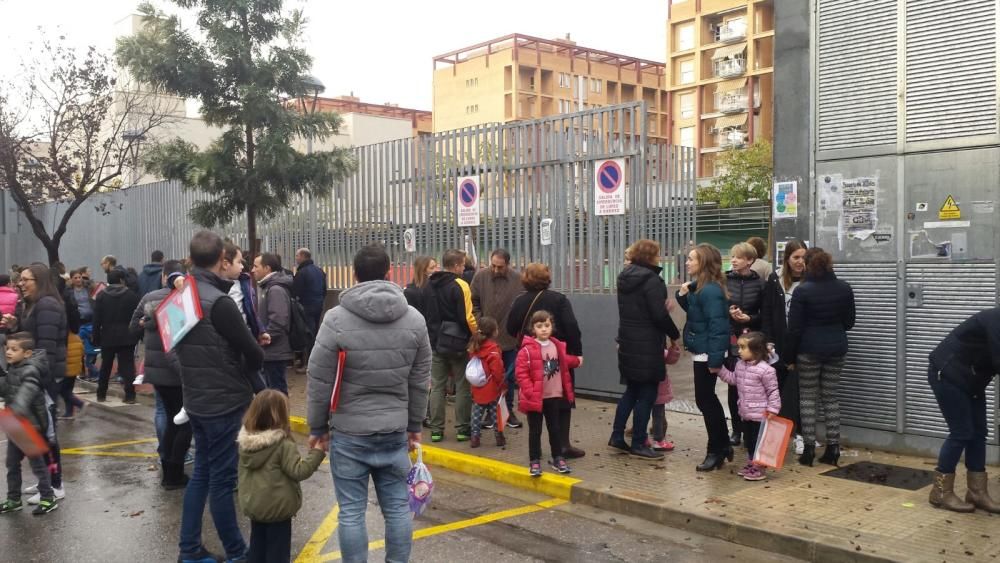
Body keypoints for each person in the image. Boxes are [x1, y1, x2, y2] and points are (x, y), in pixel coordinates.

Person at [307, 243, 431, 563]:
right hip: (394, 429)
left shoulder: (335, 319)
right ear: (389, 273)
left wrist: (318, 427)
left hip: (349, 431)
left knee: (350, 512)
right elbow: (420, 381)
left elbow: (319, 379)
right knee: (398, 509)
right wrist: (415, 425)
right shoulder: (415, 320)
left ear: (354, 274)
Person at [175, 231, 264, 563]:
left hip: (196, 398)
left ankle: (189, 550)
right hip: (224, 401)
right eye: (235, 260)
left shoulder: (185, 294)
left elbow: (175, 347)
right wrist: (243, 364)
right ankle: (238, 552)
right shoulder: (219, 302)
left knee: (202, 473)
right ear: (222, 260)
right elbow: (252, 352)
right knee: (223, 482)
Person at [609, 240, 681, 461]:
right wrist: (674, 334)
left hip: (629, 341)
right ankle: (639, 442)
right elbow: (657, 315)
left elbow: (638, 308)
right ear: (651, 256)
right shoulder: (652, 281)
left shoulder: (625, 277)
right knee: (647, 395)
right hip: (648, 344)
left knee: (631, 391)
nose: (660, 257)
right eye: (658, 254)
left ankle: (617, 436)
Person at [3, 263, 67, 502]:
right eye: (20, 280)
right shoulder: (29, 305)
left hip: (44, 376)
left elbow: (45, 349)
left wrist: (34, 379)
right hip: (35, 374)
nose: (21, 284)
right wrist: (14, 327)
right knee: (37, 429)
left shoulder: (47, 305)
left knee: (46, 431)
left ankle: (55, 482)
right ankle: (45, 482)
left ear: (39, 281)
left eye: (26, 280)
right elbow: (28, 341)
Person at [785, 248, 855, 467]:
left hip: (808, 350)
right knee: (830, 397)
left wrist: (789, 357)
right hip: (836, 348)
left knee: (807, 397)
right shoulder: (844, 288)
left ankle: (808, 451)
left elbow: (794, 329)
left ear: (807, 265)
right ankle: (833, 448)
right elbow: (849, 322)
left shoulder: (803, 291)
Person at [926, 306, 1000, 513]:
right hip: (947, 375)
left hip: (972, 380)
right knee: (961, 432)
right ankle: (940, 493)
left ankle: (977, 492)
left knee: (978, 433)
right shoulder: (995, 319)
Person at [238, 390, 325, 563]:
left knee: (257, 547)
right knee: (278, 553)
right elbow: (299, 471)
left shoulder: (245, 441)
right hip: (277, 510)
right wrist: (317, 452)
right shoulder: (282, 444)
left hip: (255, 507)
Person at [130, 259, 193, 489]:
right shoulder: (181, 299)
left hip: (156, 372)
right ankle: (174, 473)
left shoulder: (149, 298)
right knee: (185, 424)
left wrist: (146, 326)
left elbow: (133, 326)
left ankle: (168, 471)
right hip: (178, 371)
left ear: (163, 276)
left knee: (168, 417)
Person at [506, 263, 583, 450]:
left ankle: (536, 449)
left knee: (535, 398)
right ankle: (563, 445)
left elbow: (510, 328)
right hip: (557, 355)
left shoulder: (520, 301)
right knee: (562, 397)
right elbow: (572, 327)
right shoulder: (559, 299)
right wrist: (576, 353)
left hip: (531, 358)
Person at [676, 244, 733, 472]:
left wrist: (715, 360)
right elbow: (695, 313)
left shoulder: (710, 290)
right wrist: (682, 293)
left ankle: (716, 449)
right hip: (704, 350)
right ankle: (722, 445)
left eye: (692, 259)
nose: (687, 262)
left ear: (704, 263)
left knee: (705, 400)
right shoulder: (701, 288)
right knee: (706, 399)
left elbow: (718, 326)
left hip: (708, 352)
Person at [420, 249, 478, 443]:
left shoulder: (429, 285)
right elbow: (467, 316)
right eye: (462, 265)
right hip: (457, 343)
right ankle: (463, 429)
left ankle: (436, 430)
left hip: (435, 342)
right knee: (462, 385)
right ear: (455, 266)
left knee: (437, 386)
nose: (463, 268)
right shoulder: (460, 285)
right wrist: (476, 334)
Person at [516, 310, 582, 476]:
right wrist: (530, 392)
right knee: (535, 430)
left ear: (552, 326)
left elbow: (564, 361)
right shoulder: (526, 350)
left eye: (547, 325)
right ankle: (534, 460)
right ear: (533, 329)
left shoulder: (556, 345)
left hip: (554, 396)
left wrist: (577, 361)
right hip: (535, 398)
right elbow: (521, 374)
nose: (544, 329)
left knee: (555, 429)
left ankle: (558, 457)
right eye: (539, 326)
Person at [0, 333, 58, 515]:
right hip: (14, 425)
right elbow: (7, 388)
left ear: (27, 353)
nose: (8, 352)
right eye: (7, 348)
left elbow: (27, 391)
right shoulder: (12, 368)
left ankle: (48, 498)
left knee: (37, 465)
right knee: (11, 463)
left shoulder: (30, 370)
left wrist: (16, 409)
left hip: (28, 425)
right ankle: (14, 498)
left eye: (14, 349)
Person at [761, 239, 808, 454]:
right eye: (796, 257)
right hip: (779, 345)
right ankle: (774, 438)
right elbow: (768, 313)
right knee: (777, 391)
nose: (800, 262)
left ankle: (800, 434)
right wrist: (768, 341)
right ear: (787, 259)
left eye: (804, 257)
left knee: (800, 392)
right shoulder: (775, 280)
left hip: (803, 345)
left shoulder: (811, 280)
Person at [717, 331, 781, 482]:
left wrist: (773, 409)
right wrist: (720, 370)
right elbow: (734, 380)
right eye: (739, 347)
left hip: (761, 415)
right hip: (745, 412)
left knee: (759, 442)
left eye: (742, 347)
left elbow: (773, 391)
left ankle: (759, 467)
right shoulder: (740, 365)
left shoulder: (766, 370)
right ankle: (752, 462)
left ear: (756, 350)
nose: (738, 351)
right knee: (750, 441)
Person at [471, 249, 523, 428]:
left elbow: (523, 304)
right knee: (487, 377)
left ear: (508, 265)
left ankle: (507, 412)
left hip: (509, 337)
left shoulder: (518, 280)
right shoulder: (480, 277)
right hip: (487, 339)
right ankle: (488, 412)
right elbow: (474, 302)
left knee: (508, 377)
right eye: (493, 265)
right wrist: (481, 323)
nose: (495, 269)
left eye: (499, 267)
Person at [725, 242, 765, 447]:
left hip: (752, 340)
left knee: (752, 385)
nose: (733, 260)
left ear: (750, 260)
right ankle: (736, 430)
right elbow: (718, 307)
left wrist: (749, 318)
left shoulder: (760, 284)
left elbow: (764, 313)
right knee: (734, 385)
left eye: (738, 257)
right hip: (731, 340)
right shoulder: (724, 280)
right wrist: (730, 314)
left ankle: (752, 427)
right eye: (732, 256)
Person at [93, 269, 141, 403]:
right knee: (127, 366)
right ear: (121, 280)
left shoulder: (101, 296)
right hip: (127, 336)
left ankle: (101, 394)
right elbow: (137, 316)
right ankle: (130, 395)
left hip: (107, 336)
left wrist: (96, 337)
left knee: (106, 366)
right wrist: (138, 334)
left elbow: (96, 319)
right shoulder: (131, 296)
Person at [253, 253, 295, 395]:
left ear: (267, 268)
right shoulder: (267, 287)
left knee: (277, 392)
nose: (252, 270)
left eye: (256, 266)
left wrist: (263, 338)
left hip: (274, 351)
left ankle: (280, 417)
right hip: (271, 350)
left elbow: (278, 321)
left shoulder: (275, 289)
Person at [467, 316, 507, 448]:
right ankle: (499, 437)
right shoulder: (494, 349)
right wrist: (502, 384)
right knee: (495, 414)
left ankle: (475, 438)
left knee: (476, 415)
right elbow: (497, 371)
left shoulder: (474, 346)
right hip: (492, 388)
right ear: (494, 332)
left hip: (477, 387)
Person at [292, 247, 326, 339]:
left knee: (308, 332)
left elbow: (295, 292)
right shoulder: (320, 271)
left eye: (297, 255)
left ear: (303, 256)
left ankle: (310, 352)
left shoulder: (302, 273)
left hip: (306, 307)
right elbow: (324, 289)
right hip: (319, 305)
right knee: (316, 330)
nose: (296, 258)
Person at [59, 326, 87, 419]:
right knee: (68, 391)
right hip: (75, 368)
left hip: (66, 368)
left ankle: (80, 404)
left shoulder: (62, 337)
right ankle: (69, 412)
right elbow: (82, 351)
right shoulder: (76, 336)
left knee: (63, 391)